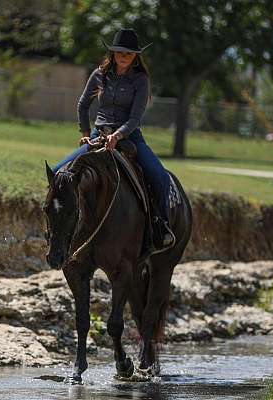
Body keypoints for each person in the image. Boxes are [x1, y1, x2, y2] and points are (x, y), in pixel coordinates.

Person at [52, 28, 174, 251]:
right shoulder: (99, 74)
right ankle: (60, 227)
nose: (123, 55)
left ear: (136, 55)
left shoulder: (141, 80)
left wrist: (118, 135)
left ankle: (160, 225)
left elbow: (135, 118)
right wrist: (85, 133)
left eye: (128, 52)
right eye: (119, 51)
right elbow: (83, 105)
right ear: (112, 52)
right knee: (57, 173)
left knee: (160, 176)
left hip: (130, 137)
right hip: (98, 136)